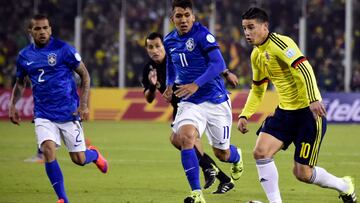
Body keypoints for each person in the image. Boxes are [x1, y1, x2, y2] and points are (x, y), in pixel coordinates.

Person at [237, 7, 357, 203]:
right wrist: (245, 114)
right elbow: (258, 88)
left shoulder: (281, 43)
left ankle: (344, 185)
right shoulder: (256, 55)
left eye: (251, 27)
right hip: (284, 113)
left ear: (265, 27)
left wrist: (313, 99)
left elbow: (305, 68)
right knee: (260, 152)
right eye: (244, 28)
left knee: (302, 173)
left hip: (307, 115)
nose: (247, 33)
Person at [8, 14, 108, 203]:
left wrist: (84, 105)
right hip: (43, 114)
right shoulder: (24, 56)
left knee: (78, 159)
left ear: (50, 29)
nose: (42, 32)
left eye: (45, 28)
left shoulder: (63, 49)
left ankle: (94, 154)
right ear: (30, 32)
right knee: (47, 150)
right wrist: (13, 105)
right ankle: (62, 199)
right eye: (37, 29)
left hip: (68, 113)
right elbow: (20, 83)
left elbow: (85, 76)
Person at [163, 1, 244, 202]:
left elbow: (219, 63)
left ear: (193, 17)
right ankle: (196, 193)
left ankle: (237, 156)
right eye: (179, 16)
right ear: (172, 19)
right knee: (185, 138)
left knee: (222, 154)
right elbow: (171, 65)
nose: (183, 19)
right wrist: (169, 83)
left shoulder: (202, 35)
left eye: (187, 15)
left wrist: (196, 84)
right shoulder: (169, 41)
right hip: (190, 101)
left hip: (215, 100)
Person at [142, 32, 238, 194]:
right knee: (184, 143)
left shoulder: (176, 56)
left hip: (197, 102)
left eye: (158, 46)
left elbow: (207, 62)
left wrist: (226, 73)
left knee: (188, 143)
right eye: (150, 47)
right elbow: (149, 99)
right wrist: (152, 86)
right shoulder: (149, 69)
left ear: (165, 47)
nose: (154, 50)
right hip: (181, 107)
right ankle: (220, 178)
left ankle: (216, 172)